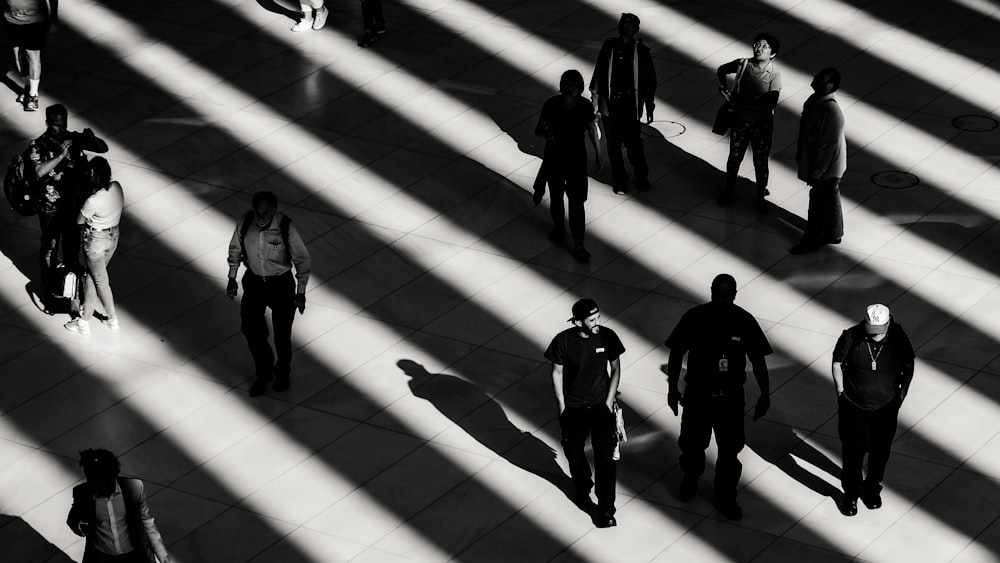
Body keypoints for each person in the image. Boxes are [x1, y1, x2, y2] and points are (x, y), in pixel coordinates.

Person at [664, 274, 772, 520]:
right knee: (692, 445)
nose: (722, 300)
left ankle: (726, 496)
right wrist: (672, 388)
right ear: (711, 291)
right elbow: (676, 352)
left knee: (729, 452)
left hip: (730, 399)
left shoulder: (744, 321)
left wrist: (765, 394)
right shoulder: (695, 317)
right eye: (718, 294)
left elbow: (758, 360)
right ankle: (691, 478)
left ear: (734, 295)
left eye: (727, 296)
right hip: (698, 396)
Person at [544, 298, 625, 528]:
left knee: (606, 460)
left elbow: (616, 368)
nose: (597, 322)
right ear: (578, 322)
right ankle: (583, 486)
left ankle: (606, 509)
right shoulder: (563, 341)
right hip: (574, 407)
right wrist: (562, 405)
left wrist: (609, 401)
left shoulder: (607, 336)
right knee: (574, 452)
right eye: (592, 319)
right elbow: (556, 373)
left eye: (598, 317)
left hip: (601, 406)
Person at [832, 304, 914, 516]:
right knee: (853, 453)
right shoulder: (851, 336)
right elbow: (837, 362)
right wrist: (840, 391)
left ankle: (871, 489)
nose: (875, 334)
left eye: (880, 329)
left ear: (888, 324)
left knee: (880, 453)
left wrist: (902, 394)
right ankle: (851, 493)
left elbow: (908, 364)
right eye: (872, 329)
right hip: (854, 408)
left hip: (885, 409)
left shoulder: (898, 339)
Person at [227, 191, 311, 397]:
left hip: (281, 284)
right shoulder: (245, 223)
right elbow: (235, 249)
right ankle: (264, 373)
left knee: (282, 335)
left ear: (274, 210)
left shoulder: (285, 227)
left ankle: (282, 372)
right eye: (257, 212)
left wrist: (300, 292)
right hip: (254, 282)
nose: (261, 217)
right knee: (250, 329)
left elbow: (302, 259)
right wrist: (232, 277)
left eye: (265, 213)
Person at [30, 103, 108, 312]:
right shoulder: (39, 145)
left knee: (72, 251)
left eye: (63, 124)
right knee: (50, 248)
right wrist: (60, 156)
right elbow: (38, 171)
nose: (60, 129)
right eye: (56, 125)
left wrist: (89, 139)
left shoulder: (72, 138)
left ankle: (71, 294)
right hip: (50, 208)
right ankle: (49, 291)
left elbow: (102, 148)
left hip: (73, 205)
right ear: (47, 123)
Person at [535, 70, 601, 263]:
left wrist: (598, 153)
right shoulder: (551, 105)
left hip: (576, 159)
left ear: (580, 88)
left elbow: (591, 129)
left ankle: (578, 243)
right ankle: (559, 228)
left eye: (574, 84)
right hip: (555, 157)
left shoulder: (585, 106)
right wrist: (545, 134)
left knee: (576, 202)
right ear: (561, 86)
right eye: (567, 84)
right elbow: (539, 128)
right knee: (556, 197)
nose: (570, 88)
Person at [716, 33, 783, 214]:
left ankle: (759, 197)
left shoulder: (774, 74)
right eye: (757, 44)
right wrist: (723, 85)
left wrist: (745, 103)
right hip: (741, 121)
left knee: (760, 162)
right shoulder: (743, 64)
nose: (759, 48)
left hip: (761, 124)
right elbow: (721, 69)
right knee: (734, 158)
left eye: (765, 46)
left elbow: (771, 101)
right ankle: (729, 190)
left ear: (773, 54)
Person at [589, 12, 656, 194]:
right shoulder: (609, 46)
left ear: (635, 29)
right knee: (613, 146)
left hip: (630, 105)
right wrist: (595, 99)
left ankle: (641, 176)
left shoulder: (641, 51)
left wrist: (649, 104)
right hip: (610, 104)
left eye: (629, 24)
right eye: (622, 23)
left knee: (634, 145)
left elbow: (650, 80)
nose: (624, 26)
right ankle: (620, 180)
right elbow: (599, 72)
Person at [67, 449, 170, 563]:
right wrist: (82, 527)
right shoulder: (83, 493)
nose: (96, 486)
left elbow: (147, 522)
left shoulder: (134, 488)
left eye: (100, 481)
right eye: (91, 480)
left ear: (112, 475)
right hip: (103, 558)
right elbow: (72, 520)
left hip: (134, 557)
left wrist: (162, 555)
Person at [64, 157, 123, 335]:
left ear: (92, 174)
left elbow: (79, 220)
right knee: (91, 277)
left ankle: (111, 318)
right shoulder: (117, 187)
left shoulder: (93, 200)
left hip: (95, 240)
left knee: (100, 281)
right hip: (113, 236)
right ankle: (84, 321)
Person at [790, 67, 846, 254]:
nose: (815, 78)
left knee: (817, 204)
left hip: (827, 167)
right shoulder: (815, 102)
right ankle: (834, 233)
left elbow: (828, 146)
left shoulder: (830, 110)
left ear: (831, 86)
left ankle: (811, 240)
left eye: (821, 77)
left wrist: (817, 172)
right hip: (829, 165)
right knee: (830, 198)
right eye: (817, 75)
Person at [4, 0, 57, 111]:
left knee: (33, 56)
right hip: (12, 21)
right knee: (17, 54)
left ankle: (33, 95)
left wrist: (54, 17)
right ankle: (28, 87)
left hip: (34, 22)